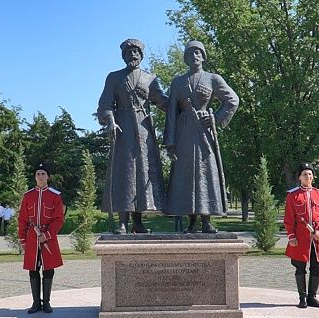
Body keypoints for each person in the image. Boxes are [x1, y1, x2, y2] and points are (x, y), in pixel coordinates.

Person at [164, 40, 239, 233]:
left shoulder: (213, 79)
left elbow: (232, 100)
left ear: (203, 56)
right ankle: (191, 222)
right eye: (190, 53)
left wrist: (215, 117)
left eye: (198, 53)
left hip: (204, 133)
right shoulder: (178, 82)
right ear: (186, 58)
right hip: (184, 134)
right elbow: (171, 112)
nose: (194, 56)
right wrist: (170, 142)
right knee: (187, 176)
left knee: (206, 174)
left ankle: (206, 220)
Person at [97, 38, 168, 234]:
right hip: (123, 130)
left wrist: (184, 106)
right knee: (125, 174)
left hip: (144, 131)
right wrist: (110, 120)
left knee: (143, 173)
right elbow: (105, 105)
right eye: (129, 52)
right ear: (123, 56)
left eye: (136, 51)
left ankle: (138, 221)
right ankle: (122, 221)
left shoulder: (150, 78)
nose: (132, 55)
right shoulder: (114, 77)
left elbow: (162, 102)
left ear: (141, 55)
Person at [18, 164, 65, 314]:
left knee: (48, 269)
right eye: (38, 173)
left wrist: (48, 235)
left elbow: (59, 219)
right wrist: (22, 239)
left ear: (48, 177)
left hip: (48, 237)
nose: (40, 176)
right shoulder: (28, 196)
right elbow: (23, 219)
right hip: (32, 237)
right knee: (33, 269)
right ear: (35, 177)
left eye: (43, 173)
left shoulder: (55, 196)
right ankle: (35, 303)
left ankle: (47, 303)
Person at [284, 163, 319, 309]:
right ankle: (302, 298)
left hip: (316, 238)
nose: (308, 177)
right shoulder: (293, 196)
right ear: (299, 177)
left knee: (317, 267)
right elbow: (289, 218)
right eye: (305, 174)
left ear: (313, 177)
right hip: (300, 238)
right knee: (300, 267)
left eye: (310, 174)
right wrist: (291, 236)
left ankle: (312, 297)